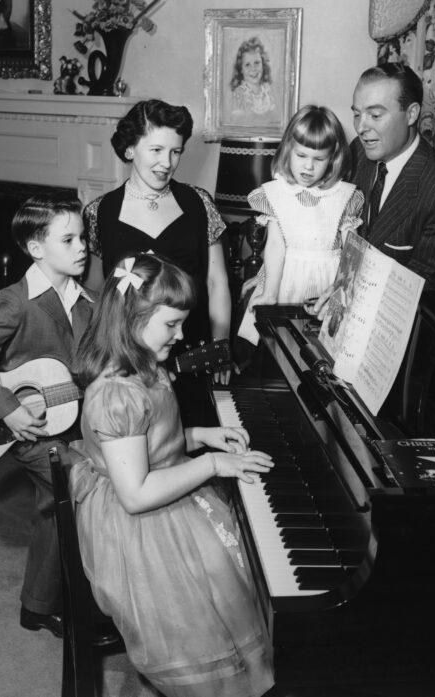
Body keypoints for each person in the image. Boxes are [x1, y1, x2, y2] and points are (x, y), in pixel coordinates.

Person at [69, 253, 275, 697]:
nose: (182, 336)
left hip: (160, 482)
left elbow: (154, 440)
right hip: (136, 524)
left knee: (231, 562)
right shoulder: (116, 395)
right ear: (131, 319)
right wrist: (214, 464)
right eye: (172, 324)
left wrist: (202, 435)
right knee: (210, 589)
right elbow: (137, 493)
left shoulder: (144, 364)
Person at [0, 194, 93, 638]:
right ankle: (55, 601)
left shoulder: (86, 302)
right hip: (27, 433)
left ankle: (44, 603)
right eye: (68, 238)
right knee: (77, 486)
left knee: (59, 508)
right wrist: (7, 407)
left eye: (83, 236)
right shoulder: (18, 301)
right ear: (36, 248)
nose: (82, 247)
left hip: (68, 421)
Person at [83, 99, 231, 424]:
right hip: (128, 360)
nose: (167, 162)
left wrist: (220, 345)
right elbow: (96, 291)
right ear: (130, 149)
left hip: (191, 351)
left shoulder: (198, 203)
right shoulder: (99, 213)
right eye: (156, 150)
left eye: (175, 151)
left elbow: (216, 281)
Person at [309, 63, 435, 319]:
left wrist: (349, 292)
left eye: (375, 115)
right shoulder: (358, 151)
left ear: (411, 114)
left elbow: (426, 288)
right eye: (357, 114)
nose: (361, 127)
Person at [237, 104, 363, 345]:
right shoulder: (276, 194)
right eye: (301, 155)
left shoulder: (344, 196)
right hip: (286, 282)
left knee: (323, 348)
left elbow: (353, 252)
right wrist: (270, 293)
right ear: (287, 150)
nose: (308, 166)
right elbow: (275, 246)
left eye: (318, 159)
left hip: (329, 285)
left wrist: (341, 292)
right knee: (283, 346)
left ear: (333, 158)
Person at [230, 36, 276, 118]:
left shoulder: (268, 91)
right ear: (241, 69)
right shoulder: (240, 94)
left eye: (257, 63)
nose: (253, 69)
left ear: (263, 64)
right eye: (247, 65)